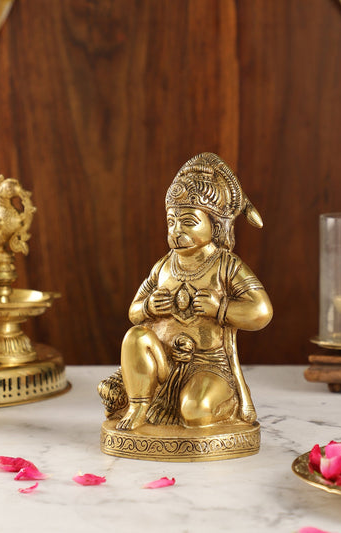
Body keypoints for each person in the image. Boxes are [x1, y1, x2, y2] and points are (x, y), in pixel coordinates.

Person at [99, 153, 272, 431]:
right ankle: (139, 405)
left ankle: (224, 405)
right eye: (171, 222)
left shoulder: (226, 266)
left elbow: (261, 311)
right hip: (163, 362)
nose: (176, 232)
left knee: (195, 413)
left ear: (215, 225)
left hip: (207, 364)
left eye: (188, 222)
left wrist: (221, 309)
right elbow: (134, 312)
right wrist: (149, 307)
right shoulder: (164, 266)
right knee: (135, 336)